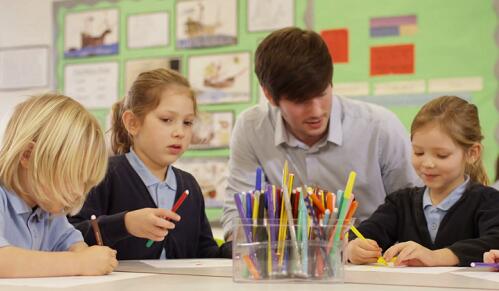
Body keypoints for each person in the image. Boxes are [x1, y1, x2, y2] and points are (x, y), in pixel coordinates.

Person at [221, 27, 419, 239]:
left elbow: (415, 213)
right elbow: (238, 214)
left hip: (376, 260)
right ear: (269, 95)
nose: (316, 111)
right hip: (289, 265)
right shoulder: (252, 129)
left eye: (322, 94)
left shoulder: (380, 128)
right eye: (300, 101)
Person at [69, 68, 231, 259]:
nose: (180, 132)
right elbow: (70, 236)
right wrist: (125, 224)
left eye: (187, 122)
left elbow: (203, 252)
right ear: (132, 123)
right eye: (167, 120)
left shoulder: (189, 186)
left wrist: (234, 249)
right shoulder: (102, 174)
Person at [347, 95, 499, 267]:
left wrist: (436, 257)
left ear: (472, 153)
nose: (427, 163)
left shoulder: (488, 201)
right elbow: (366, 232)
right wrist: (354, 248)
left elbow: (494, 241)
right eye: (418, 153)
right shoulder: (400, 203)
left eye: (441, 155)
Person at [0, 94, 117, 277]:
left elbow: (76, 247)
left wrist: (90, 257)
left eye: (85, 183)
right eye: (73, 177)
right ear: (28, 155)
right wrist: (79, 263)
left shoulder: (48, 209)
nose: (79, 192)